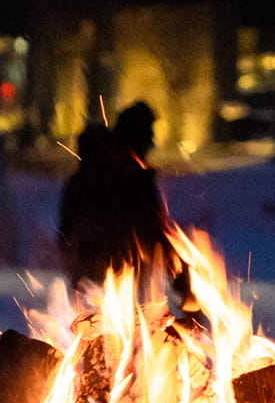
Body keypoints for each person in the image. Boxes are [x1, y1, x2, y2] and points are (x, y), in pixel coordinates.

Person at [58, 102, 186, 301]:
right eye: (147, 133)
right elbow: (74, 227)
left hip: (127, 271)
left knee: (129, 325)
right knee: (97, 323)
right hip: (102, 270)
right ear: (134, 135)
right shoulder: (105, 174)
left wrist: (176, 271)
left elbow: (154, 228)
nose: (152, 142)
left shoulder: (132, 176)